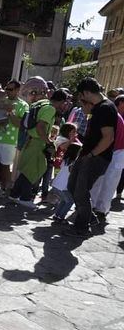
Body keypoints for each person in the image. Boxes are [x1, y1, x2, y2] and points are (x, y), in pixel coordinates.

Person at [65, 77, 117, 237]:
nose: (81, 100)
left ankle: (81, 227)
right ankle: (90, 218)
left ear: (87, 92)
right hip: (88, 154)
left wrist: (92, 155)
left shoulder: (106, 108)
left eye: (82, 96)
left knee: (81, 191)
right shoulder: (98, 108)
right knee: (73, 186)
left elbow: (108, 137)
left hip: (97, 157)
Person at [8, 77, 56, 209]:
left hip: (29, 141)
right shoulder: (48, 108)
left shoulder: (35, 105)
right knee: (34, 171)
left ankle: (14, 194)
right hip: (37, 143)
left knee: (27, 170)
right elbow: (41, 127)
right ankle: (25, 198)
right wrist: (49, 142)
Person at [0, 79, 29, 197]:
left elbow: (20, 124)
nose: (7, 91)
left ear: (18, 90)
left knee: (5, 167)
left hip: (10, 141)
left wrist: (11, 113)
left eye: (10, 89)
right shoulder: (0, 102)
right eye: (6, 89)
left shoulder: (23, 105)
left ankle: (4, 189)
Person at [90, 100, 124, 220]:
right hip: (113, 151)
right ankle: (98, 208)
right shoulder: (113, 115)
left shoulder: (112, 116)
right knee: (105, 181)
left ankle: (97, 207)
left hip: (115, 151)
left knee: (103, 181)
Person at [50, 122, 81, 223]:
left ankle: (57, 215)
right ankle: (61, 217)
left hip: (57, 185)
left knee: (64, 200)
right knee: (70, 201)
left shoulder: (65, 161)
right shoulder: (73, 164)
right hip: (63, 187)